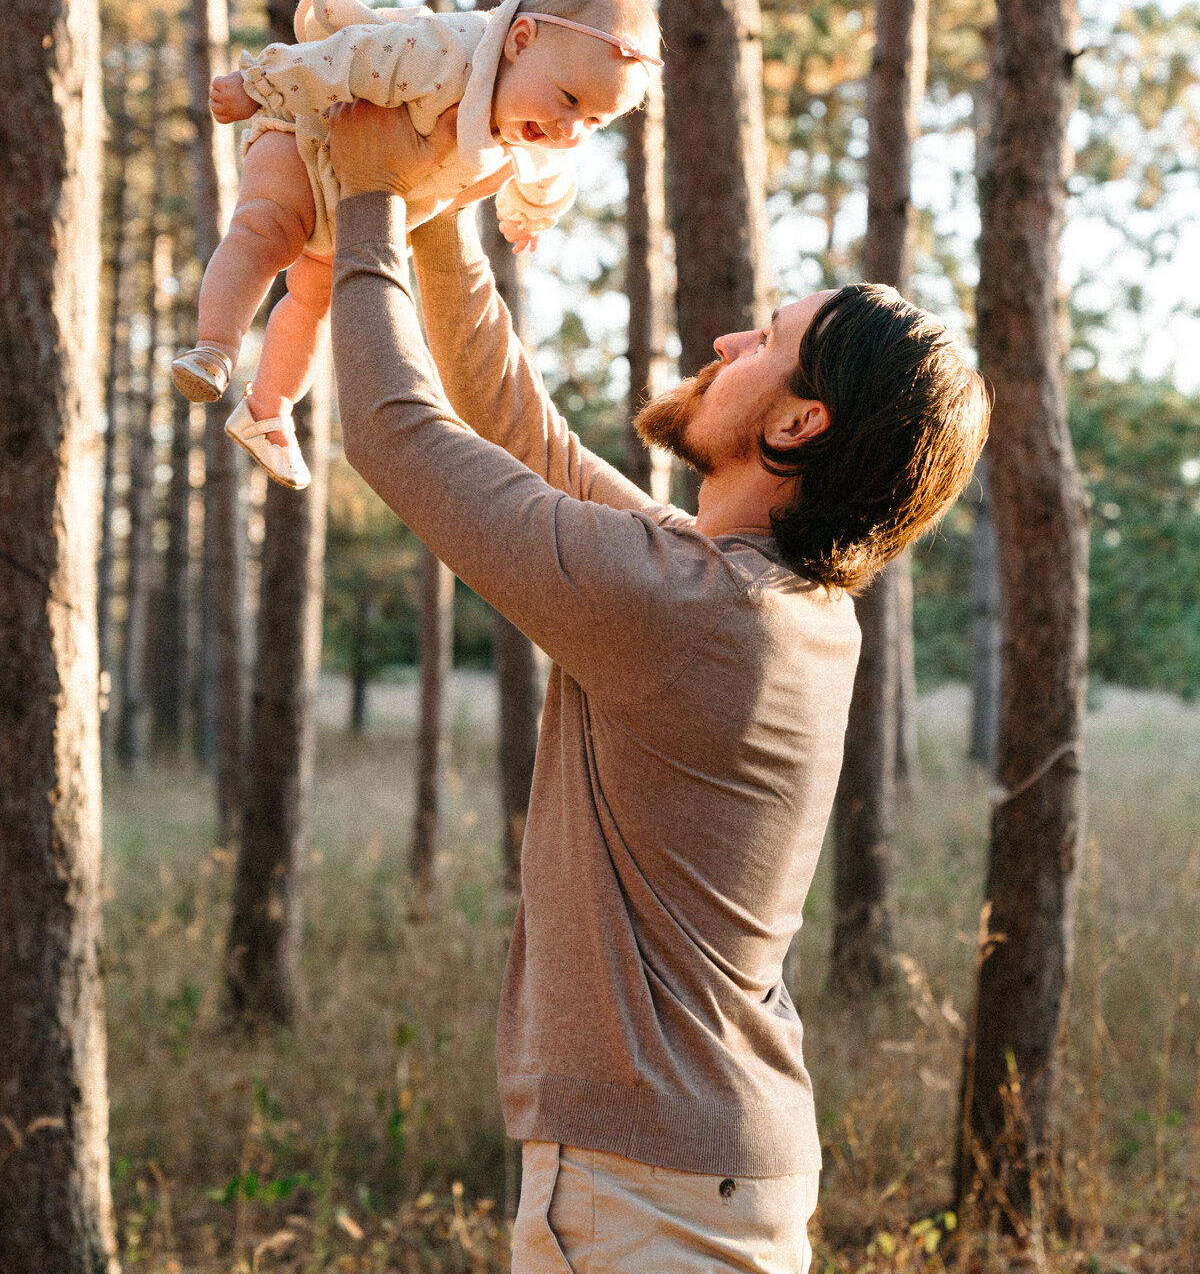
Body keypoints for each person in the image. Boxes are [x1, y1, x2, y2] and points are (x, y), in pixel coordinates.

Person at [325, 98, 991, 1274]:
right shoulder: (753, 598)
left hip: (654, 1199)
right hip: (701, 1175)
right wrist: (435, 222)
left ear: (798, 419)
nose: (728, 342)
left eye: (765, 341)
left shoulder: (686, 608)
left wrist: (367, 197)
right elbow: (527, 439)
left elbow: (394, 432)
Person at [171, 0, 659, 489]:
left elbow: (548, 178)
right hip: (307, 133)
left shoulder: (541, 126)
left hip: (356, 200)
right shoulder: (446, 52)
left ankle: (268, 410)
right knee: (265, 231)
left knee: (314, 298)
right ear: (519, 41)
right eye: (569, 100)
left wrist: (530, 214)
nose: (570, 130)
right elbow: (350, 58)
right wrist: (258, 85)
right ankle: (215, 347)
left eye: (595, 122)